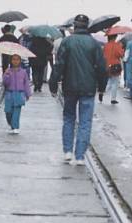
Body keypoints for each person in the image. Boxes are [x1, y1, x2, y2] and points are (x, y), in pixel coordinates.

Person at [48, 14, 107, 166]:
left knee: (68, 118)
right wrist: (102, 88)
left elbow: (59, 65)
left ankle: (67, 151)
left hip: (70, 86)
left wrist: (53, 84)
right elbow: (101, 68)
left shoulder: (67, 42)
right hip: (88, 87)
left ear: (74, 26)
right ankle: (80, 155)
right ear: (87, 26)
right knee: (85, 122)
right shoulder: (94, 44)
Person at [4, 53, 31, 133]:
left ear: (20, 61)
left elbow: (26, 83)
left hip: (19, 94)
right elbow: (5, 83)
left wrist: (28, 94)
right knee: (8, 111)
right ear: (11, 61)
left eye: (17, 59)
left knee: (16, 111)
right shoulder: (8, 71)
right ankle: (11, 123)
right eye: (14, 59)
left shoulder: (23, 72)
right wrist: (7, 75)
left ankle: (15, 127)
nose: (15, 61)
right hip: (9, 93)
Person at [102, 34, 124, 104]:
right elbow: (120, 55)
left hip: (106, 65)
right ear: (115, 37)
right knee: (115, 82)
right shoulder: (117, 45)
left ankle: (102, 92)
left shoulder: (105, 45)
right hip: (115, 65)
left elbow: (103, 55)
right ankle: (113, 99)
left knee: (108, 81)